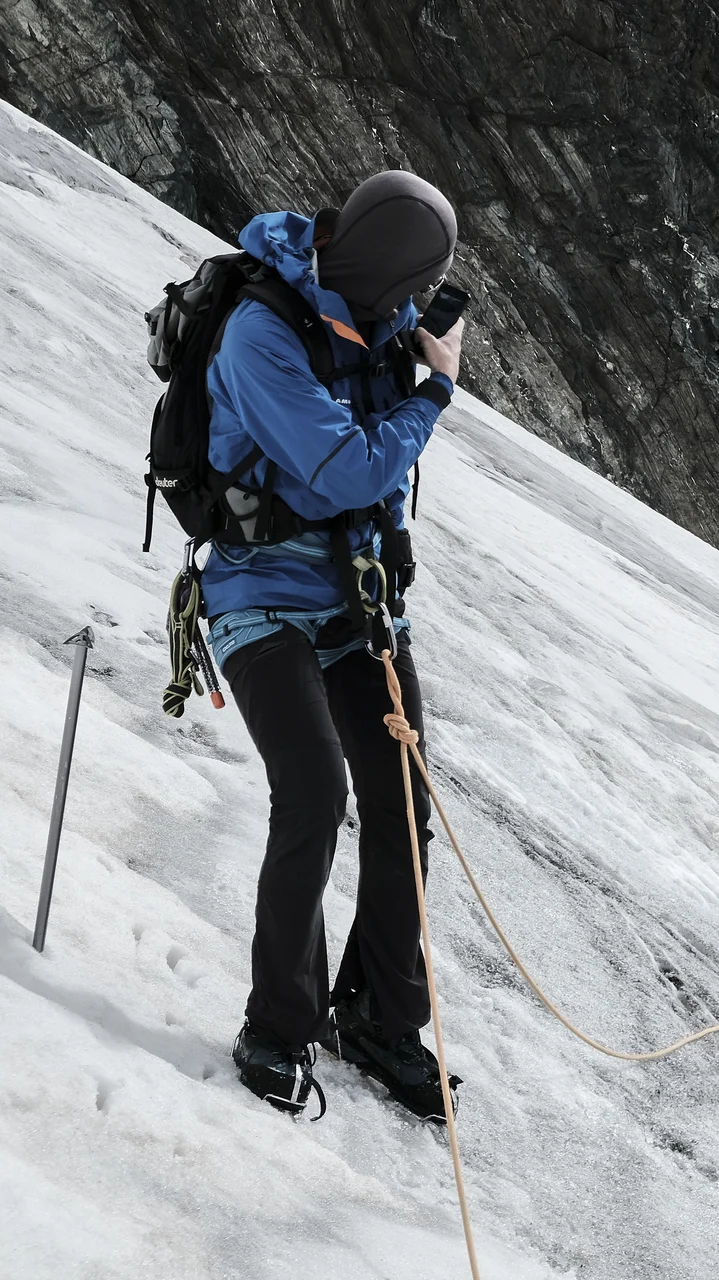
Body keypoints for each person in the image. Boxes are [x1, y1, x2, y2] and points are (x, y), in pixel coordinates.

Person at [207, 171, 465, 1119]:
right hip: (259, 592)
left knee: (401, 802)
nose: (408, 302)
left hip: (355, 599)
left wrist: (410, 366)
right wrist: (435, 392)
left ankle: (380, 1018)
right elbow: (338, 471)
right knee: (315, 791)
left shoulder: (371, 320)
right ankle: (277, 1025)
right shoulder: (261, 331)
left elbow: (359, 471)